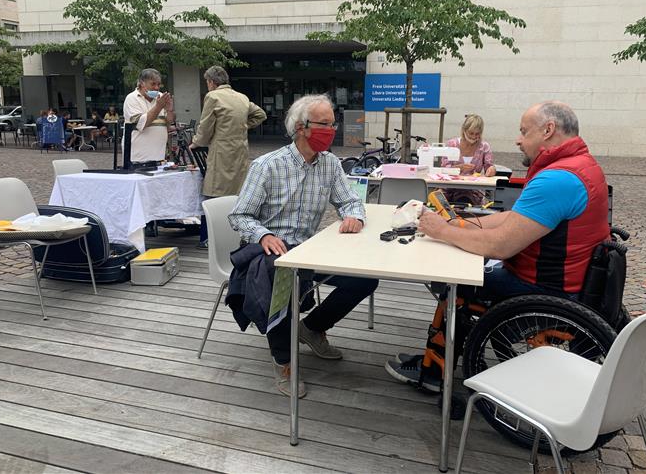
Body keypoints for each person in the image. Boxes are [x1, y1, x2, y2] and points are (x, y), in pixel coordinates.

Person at [386, 101, 610, 392]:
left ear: (548, 130)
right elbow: (516, 219)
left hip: (545, 290)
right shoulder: (581, 166)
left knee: (456, 285)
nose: (518, 139)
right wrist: (463, 223)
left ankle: (434, 372)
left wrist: (442, 230)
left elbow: (499, 246)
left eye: (523, 131)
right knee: (466, 262)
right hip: (572, 282)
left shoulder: (557, 179)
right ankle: (442, 358)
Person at [228, 94, 379, 398]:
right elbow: (240, 215)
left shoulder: (330, 164)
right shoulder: (267, 166)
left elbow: (351, 200)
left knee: (364, 278)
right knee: (283, 276)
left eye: (332, 123)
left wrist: (354, 216)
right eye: (324, 124)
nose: (331, 130)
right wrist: (263, 235)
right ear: (301, 127)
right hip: (271, 251)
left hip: (309, 249)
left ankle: (311, 327)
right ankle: (283, 361)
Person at [188, 66, 267, 249]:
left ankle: (208, 237)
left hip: (221, 151)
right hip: (239, 150)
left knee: (212, 193)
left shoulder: (213, 97)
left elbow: (205, 126)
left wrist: (196, 141)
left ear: (211, 82)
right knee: (237, 193)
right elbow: (260, 114)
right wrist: (243, 126)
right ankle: (235, 233)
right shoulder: (242, 97)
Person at [441, 113, 496, 205]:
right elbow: (444, 169)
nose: (474, 137)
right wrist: (460, 167)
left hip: (473, 191)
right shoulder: (452, 144)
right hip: (450, 189)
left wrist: (492, 169)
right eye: (471, 133)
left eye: (477, 134)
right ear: (464, 130)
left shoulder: (484, 147)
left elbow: (488, 166)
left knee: (466, 200)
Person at [122, 68, 174, 164]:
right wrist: (158, 107)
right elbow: (141, 124)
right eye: (153, 84)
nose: (156, 88)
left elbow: (168, 124)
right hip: (138, 158)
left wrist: (170, 110)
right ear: (142, 83)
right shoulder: (132, 99)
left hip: (159, 156)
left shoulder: (160, 97)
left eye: (159, 84)